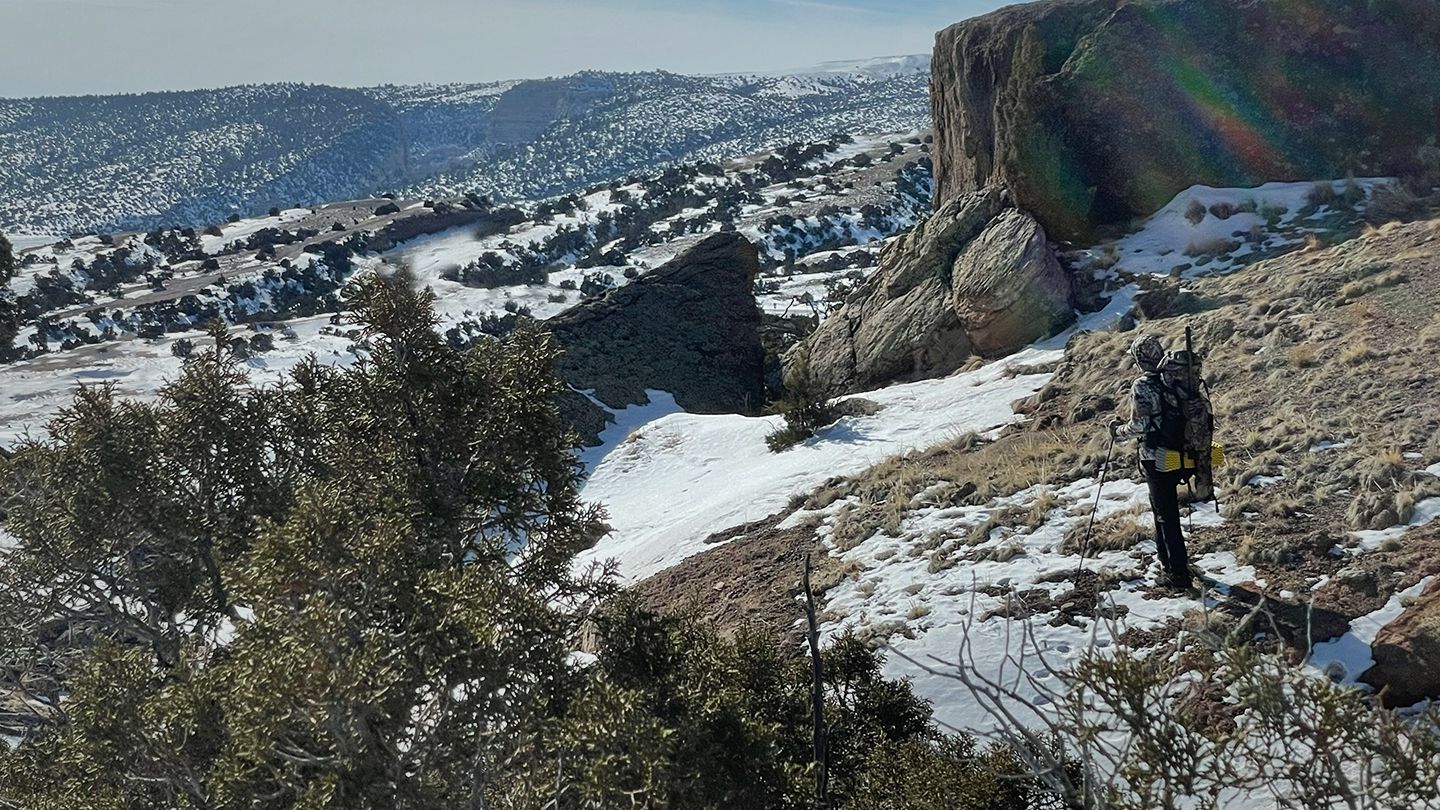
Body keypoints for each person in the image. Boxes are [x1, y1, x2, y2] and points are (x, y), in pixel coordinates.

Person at [1110, 334, 1192, 591]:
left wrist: (1117, 432)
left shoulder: (1143, 386)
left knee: (1165, 513)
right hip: (1184, 451)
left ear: (1139, 359)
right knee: (1164, 510)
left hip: (1156, 457)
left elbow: (1140, 425)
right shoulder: (1178, 377)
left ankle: (1178, 574)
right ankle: (1167, 560)